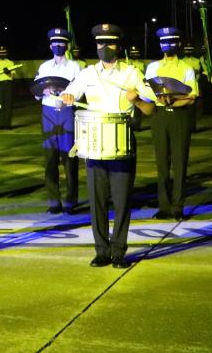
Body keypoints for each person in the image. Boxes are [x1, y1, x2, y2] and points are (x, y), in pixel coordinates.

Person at [61, 24, 155, 269]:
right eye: (100, 44)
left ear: (118, 46)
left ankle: (119, 252)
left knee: (122, 201)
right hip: (94, 143)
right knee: (98, 201)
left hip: (122, 142)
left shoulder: (132, 73)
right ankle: (101, 251)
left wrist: (138, 99)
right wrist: (67, 97)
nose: (104, 48)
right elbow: (68, 95)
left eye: (109, 43)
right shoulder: (87, 73)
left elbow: (151, 108)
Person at [145, 27, 197, 221]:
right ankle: (164, 206)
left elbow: (191, 97)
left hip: (179, 117)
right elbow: (149, 93)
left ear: (179, 44)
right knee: (162, 163)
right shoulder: (153, 67)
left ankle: (178, 206)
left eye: (172, 42)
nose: (168, 45)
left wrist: (173, 101)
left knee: (180, 162)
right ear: (160, 45)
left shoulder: (186, 68)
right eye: (164, 42)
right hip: (159, 116)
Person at [33, 28, 83, 214]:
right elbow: (36, 91)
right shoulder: (44, 67)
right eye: (55, 43)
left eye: (61, 43)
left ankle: (71, 200)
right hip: (48, 113)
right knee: (50, 159)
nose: (58, 46)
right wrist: (42, 92)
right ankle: (54, 201)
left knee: (70, 159)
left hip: (67, 112)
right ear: (50, 45)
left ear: (67, 45)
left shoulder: (75, 67)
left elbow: (81, 90)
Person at [0, 46, 20, 130]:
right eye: (0, 53)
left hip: (8, 84)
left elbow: (13, 75)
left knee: (8, 105)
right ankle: (2, 124)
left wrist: (8, 73)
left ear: (6, 53)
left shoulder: (10, 63)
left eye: (3, 53)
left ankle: (8, 125)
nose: (2, 54)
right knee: (0, 105)